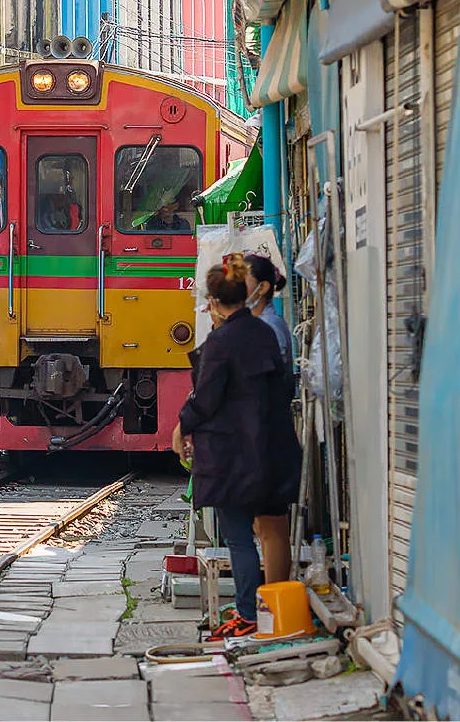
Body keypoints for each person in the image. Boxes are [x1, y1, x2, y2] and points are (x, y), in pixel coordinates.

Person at [173, 254, 300, 639]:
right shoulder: (265, 332)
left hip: (233, 456)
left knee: (240, 538)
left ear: (212, 301)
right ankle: (268, 612)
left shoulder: (221, 342)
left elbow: (206, 399)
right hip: (271, 449)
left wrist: (182, 427)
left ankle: (247, 614)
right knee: (267, 529)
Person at [242, 254, 296, 587]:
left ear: (262, 287)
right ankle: (270, 601)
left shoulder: (269, 328)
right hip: (262, 432)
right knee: (263, 525)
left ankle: (274, 602)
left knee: (271, 525)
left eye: (242, 278)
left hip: (267, 434)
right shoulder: (260, 325)